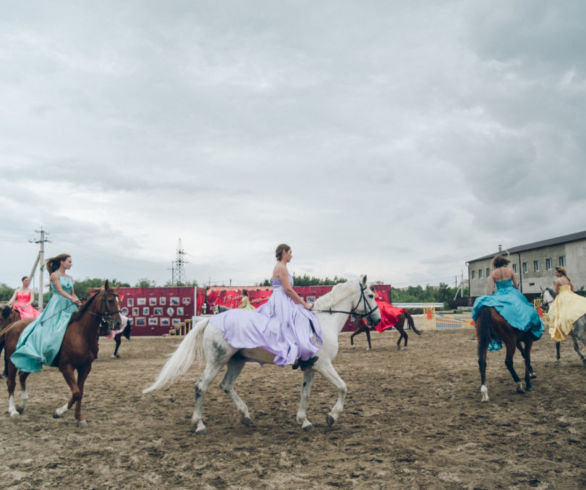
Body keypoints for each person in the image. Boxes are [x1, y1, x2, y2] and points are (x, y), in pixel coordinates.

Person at [208, 243, 321, 369]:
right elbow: (288, 289)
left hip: (283, 298)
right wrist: (304, 303)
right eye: (290, 252)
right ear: (284, 252)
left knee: (293, 321)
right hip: (281, 299)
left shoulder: (281, 266)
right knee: (292, 322)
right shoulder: (281, 267)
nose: (291, 255)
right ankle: (296, 356)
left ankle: (299, 355)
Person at [10, 254, 81, 373]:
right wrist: (71, 298)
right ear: (62, 262)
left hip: (70, 305)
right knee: (53, 329)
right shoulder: (54, 275)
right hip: (57, 304)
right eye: (69, 262)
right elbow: (59, 290)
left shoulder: (69, 277)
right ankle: (42, 350)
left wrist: (78, 301)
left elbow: (72, 293)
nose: (71, 264)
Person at [472, 255, 543, 351]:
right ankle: (527, 330)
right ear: (504, 262)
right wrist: (515, 289)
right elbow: (516, 286)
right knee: (526, 308)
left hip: (499, 294)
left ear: (495, 264)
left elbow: (492, 290)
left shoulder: (493, 274)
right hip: (512, 293)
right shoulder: (510, 271)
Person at [547, 266, 586, 342]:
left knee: (557, 312)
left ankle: (561, 327)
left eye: (556, 272)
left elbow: (557, 292)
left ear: (559, 273)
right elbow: (572, 288)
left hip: (562, 296)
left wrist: (560, 295)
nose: (555, 273)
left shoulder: (557, 281)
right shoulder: (568, 279)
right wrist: (570, 294)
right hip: (570, 294)